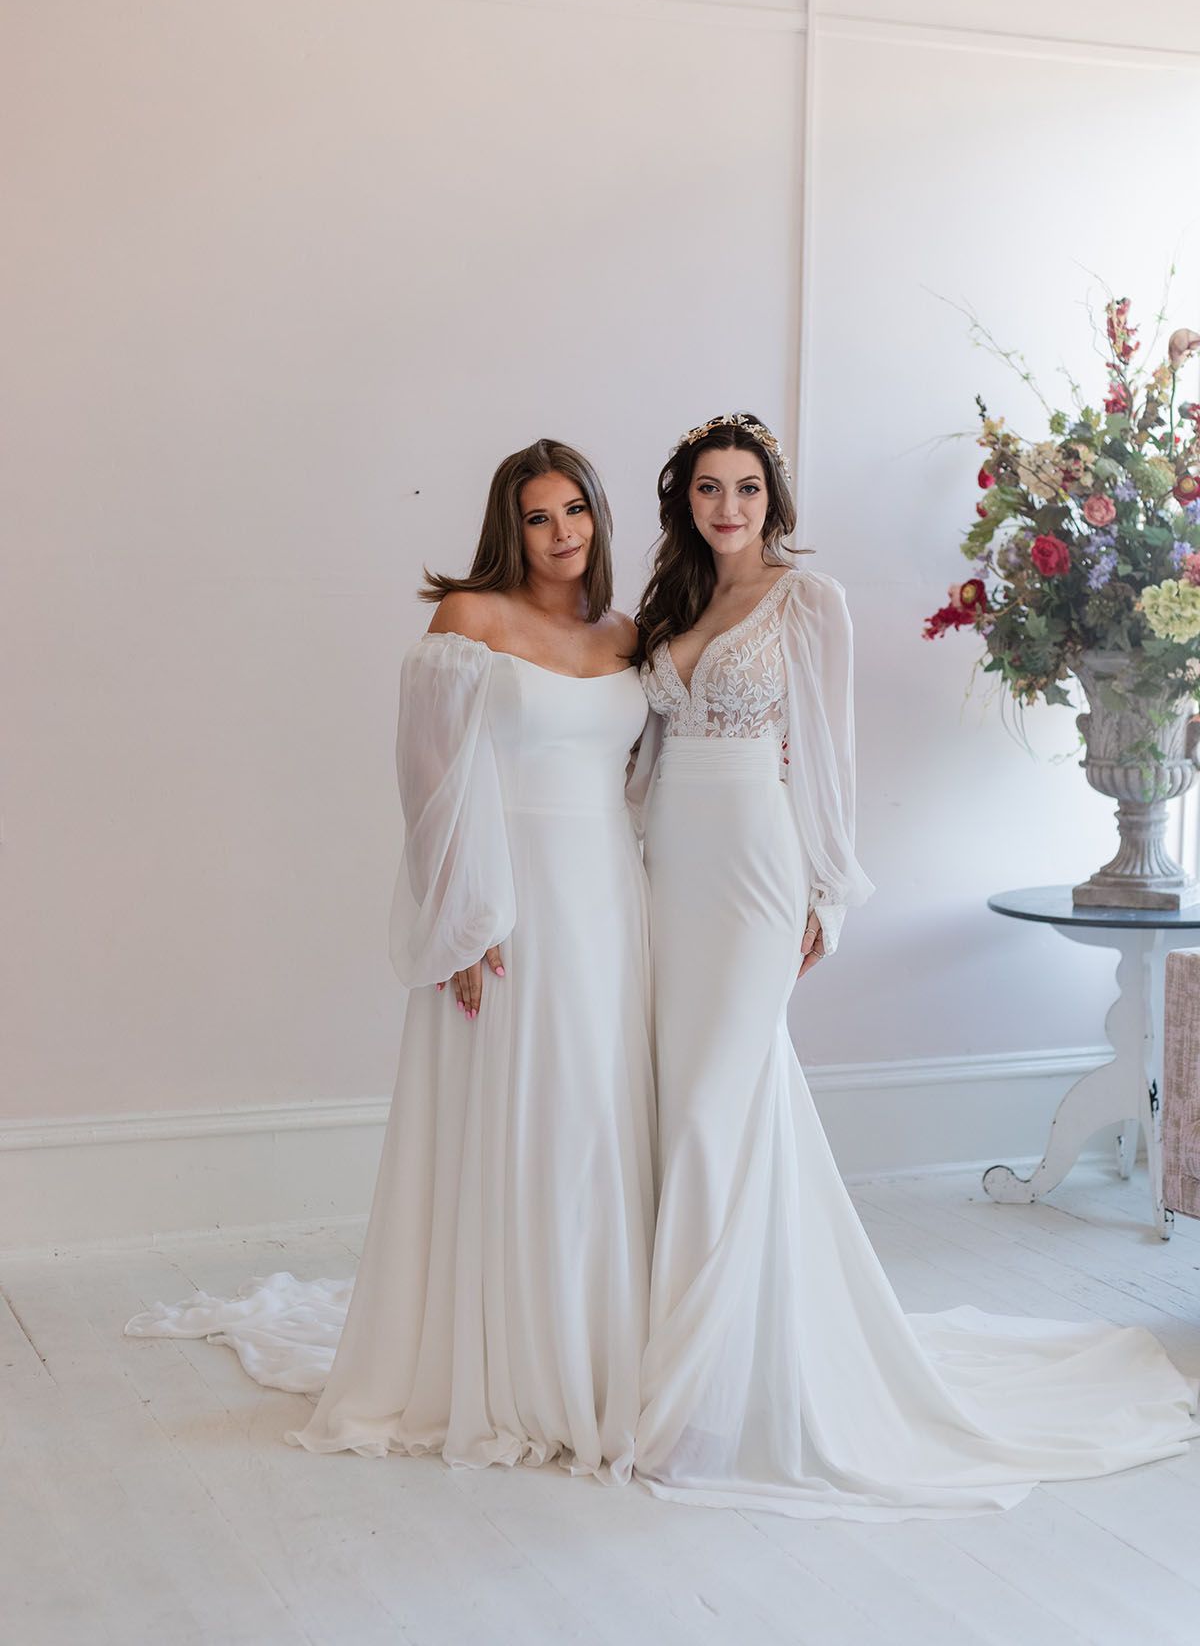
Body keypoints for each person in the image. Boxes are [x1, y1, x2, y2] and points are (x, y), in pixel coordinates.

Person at [627, 411, 1198, 1519]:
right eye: (708, 488)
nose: (727, 507)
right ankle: (711, 1352)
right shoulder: (671, 603)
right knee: (702, 1110)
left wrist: (827, 889)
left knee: (712, 1107)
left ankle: (705, 1391)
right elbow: (642, 751)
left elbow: (830, 757)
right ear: (684, 501)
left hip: (754, 865)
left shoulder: (808, 600)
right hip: (667, 869)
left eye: (745, 488)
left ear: (772, 500)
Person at [128, 440, 656, 1483]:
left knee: (597, 1115)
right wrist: (465, 920)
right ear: (512, 526)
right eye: (540, 517)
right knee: (520, 1112)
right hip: (513, 903)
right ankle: (503, 1362)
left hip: (610, 902)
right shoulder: (468, 622)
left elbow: (640, 783)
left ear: (598, 517)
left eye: (576, 513)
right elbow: (430, 782)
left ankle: (595, 1350)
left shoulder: (628, 634)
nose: (562, 535)